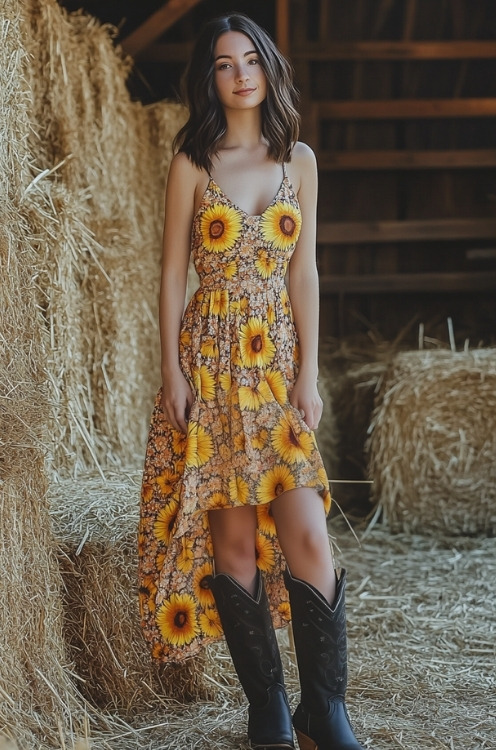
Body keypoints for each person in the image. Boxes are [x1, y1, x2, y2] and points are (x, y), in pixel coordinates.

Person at [138, 12, 365, 750]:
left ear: (268, 68)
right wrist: (171, 371)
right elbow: (173, 271)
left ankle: (323, 711)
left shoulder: (298, 159)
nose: (239, 74)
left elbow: (306, 270)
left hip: (275, 368)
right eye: (224, 64)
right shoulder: (192, 161)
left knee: (307, 530)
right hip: (209, 363)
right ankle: (267, 710)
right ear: (211, 79)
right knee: (231, 544)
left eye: (250, 60)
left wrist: (310, 372)